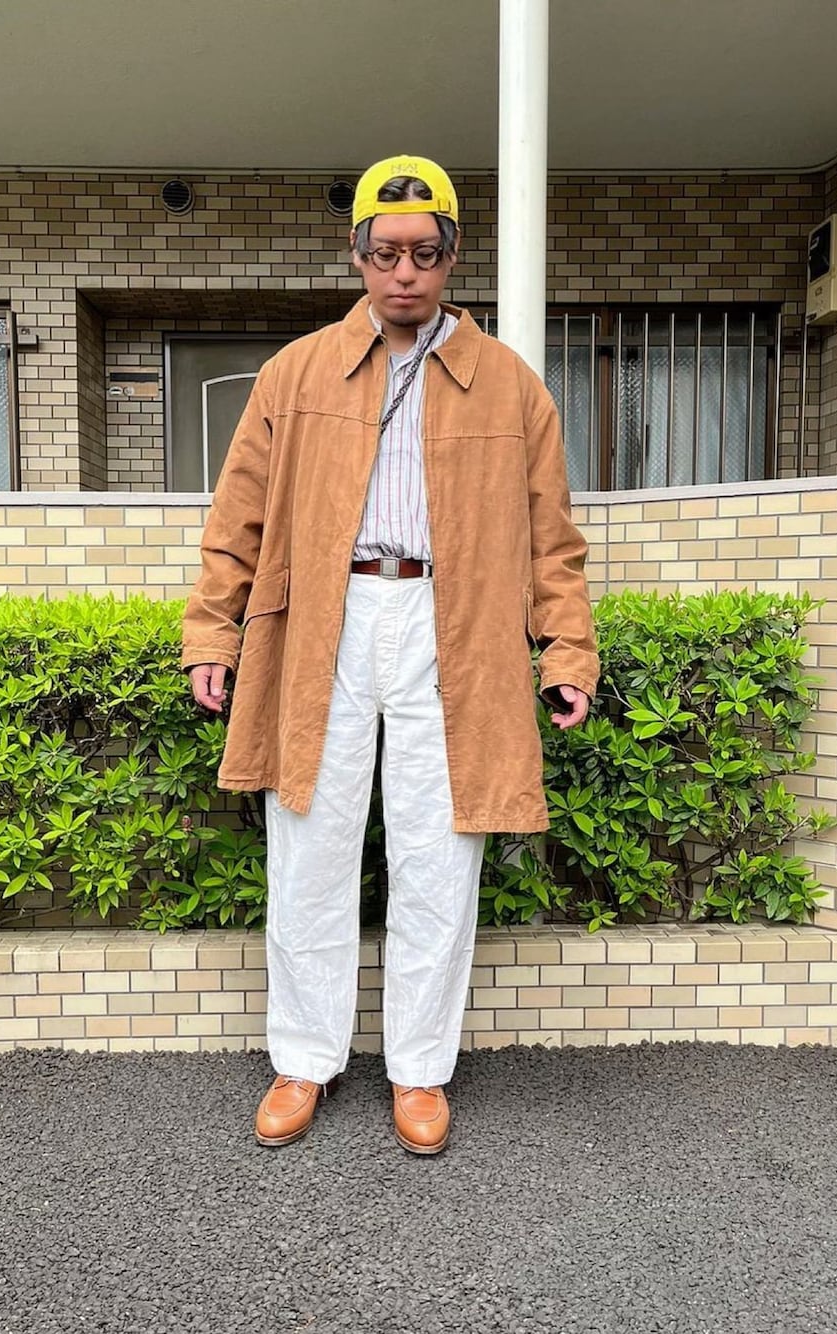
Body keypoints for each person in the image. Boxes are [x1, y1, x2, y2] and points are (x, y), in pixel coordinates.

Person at [181, 154, 599, 1155]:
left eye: (423, 252)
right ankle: (303, 1058)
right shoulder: (295, 373)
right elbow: (236, 517)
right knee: (310, 847)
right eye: (384, 253)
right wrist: (211, 631)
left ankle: (419, 1069)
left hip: (455, 626)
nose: (403, 271)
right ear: (356, 254)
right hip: (321, 619)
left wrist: (567, 652)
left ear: (452, 254)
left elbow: (552, 540)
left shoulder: (511, 386)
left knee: (437, 853)